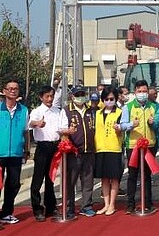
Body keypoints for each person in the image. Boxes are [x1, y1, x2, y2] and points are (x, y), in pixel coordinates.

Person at [121, 80, 159, 214]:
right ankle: (130, 204)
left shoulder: (154, 106)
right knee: (133, 175)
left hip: (150, 144)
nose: (142, 94)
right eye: (139, 91)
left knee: (147, 175)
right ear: (135, 92)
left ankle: (148, 202)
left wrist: (152, 123)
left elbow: (158, 126)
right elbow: (122, 125)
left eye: (144, 91)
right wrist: (132, 124)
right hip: (133, 145)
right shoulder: (128, 107)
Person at [29, 86, 66, 222]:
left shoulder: (58, 111)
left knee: (51, 178)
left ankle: (51, 207)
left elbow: (62, 127)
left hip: (55, 146)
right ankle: (37, 208)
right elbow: (31, 123)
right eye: (47, 96)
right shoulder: (37, 111)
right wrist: (38, 123)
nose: (50, 99)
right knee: (38, 179)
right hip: (42, 147)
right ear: (41, 97)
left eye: (51, 96)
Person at [61, 86, 96, 218]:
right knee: (70, 181)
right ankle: (69, 208)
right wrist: (67, 132)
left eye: (82, 94)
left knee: (88, 180)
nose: (80, 97)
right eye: (77, 95)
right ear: (72, 96)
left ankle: (86, 206)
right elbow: (61, 129)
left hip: (89, 150)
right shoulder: (66, 111)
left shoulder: (90, 110)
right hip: (73, 152)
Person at [0, 80, 29, 225]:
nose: (13, 91)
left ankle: (6, 213)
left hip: (16, 153)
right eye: (10, 88)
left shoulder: (24, 110)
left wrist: (27, 150)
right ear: (4, 91)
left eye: (15, 88)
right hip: (0, 153)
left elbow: (26, 132)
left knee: (13, 183)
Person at [94, 87, 123, 216]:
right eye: (106, 99)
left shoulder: (120, 112)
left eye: (112, 99)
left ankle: (112, 204)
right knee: (104, 178)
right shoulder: (98, 113)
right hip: (100, 148)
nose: (109, 101)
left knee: (114, 178)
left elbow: (123, 128)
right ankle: (105, 204)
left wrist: (119, 129)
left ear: (116, 99)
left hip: (114, 148)